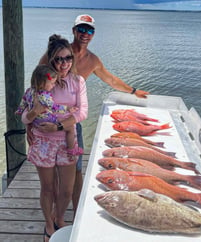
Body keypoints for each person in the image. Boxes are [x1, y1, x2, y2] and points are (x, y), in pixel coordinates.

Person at [39, 14, 150, 216]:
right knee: (53, 173)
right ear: (73, 31)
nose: (85, 34)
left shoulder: (93, 60)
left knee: (76, 170)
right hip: (48, 121)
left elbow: (110, 79)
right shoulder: (56, 53)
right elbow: (37, 83)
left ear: (93, 34)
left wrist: (133, 91)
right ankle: (52, 217)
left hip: (72, 123)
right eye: (81, 29)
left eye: (89, 30)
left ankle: (77, 212)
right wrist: (31, 122)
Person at [22, 35, 88, 242]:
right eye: (58, 59)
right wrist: (31, 117)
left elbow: (82, 112)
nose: (64, 63)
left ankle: (59, 217)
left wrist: (59, 125)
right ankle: (49, 224)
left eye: (68, 58)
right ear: (51, 60)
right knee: (48, 187)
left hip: (66, 140)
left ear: (72, 59)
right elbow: (25, 114)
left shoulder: (78, 81)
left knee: (67, 189)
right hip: (43, 143)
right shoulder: (42, 82)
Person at [16, 64, 84, 157]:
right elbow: (54, 107)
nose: (53, 85)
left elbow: (23, 102)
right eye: (52, 83)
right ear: (42, 83)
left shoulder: (29, 91)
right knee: (70, 128)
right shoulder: (44, 96)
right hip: (47, 119)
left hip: (36, 122)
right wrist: (68, 108)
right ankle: (72, 149)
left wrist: (19, 111)